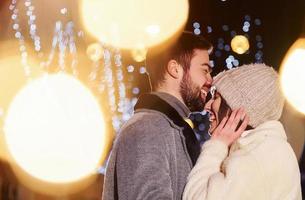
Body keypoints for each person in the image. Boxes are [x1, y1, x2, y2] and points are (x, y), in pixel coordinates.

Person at [102, 32, 247, 200]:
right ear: (175, 69)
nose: (210, 80)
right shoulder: (147, 128)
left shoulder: (169, 128)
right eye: (205, 70)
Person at [183, 63, 302, 200]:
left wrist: (216, 146)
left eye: (216, 97)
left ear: (238, 108)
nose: (207, 106)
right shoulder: (266, 148)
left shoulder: (254, 156)